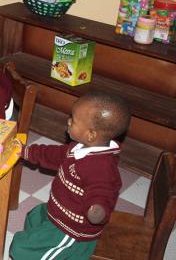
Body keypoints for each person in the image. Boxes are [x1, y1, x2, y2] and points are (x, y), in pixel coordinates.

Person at [9, 91, 131, 260]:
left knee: (20, 249)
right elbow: (51, 154)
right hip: (57, 211)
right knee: (34, 216)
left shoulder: (102, 168)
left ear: (91, 134)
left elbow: (102, 192)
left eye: (73, 119)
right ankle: (41, 241)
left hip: (71, 230)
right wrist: (26, 151)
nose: (68, 121)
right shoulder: (77, 148)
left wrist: (97, 210)